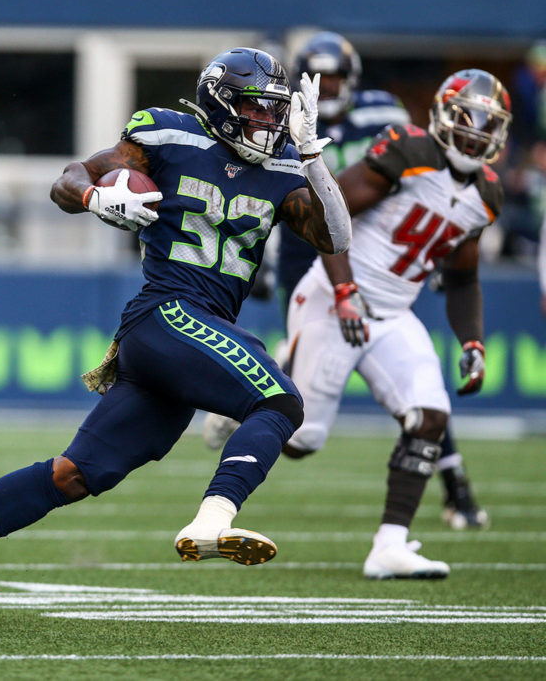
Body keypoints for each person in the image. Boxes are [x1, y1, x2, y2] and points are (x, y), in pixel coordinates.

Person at [0, 46, 353, 622]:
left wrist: (313, 159)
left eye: (275, 111)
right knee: (279, 398)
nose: (268, 122)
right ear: (222, 105)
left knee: (74, 475)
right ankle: (214, 518)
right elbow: (69, 178)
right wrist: (97, 197)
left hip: (191, 339)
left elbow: (336, 240)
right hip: (166, 315)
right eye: (256, 109)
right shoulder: (167, 135)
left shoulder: (284, 168)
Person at [203, 32, 489, 531]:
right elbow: (265, 188)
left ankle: (453, 484)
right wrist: (268, 258)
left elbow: (427, 185)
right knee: (305, 425)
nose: (329, 86)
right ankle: (275, 375)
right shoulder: (273, 115)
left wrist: (439, 239)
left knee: (420, 388)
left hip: (379, 258)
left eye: (336, 76)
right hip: (306, 244)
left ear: (352, 79)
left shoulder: (385, 117)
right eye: (321, 77)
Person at [282, 69, 511, 578]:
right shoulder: (408, 151)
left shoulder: (487, 195)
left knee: (430, 415)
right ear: (441, 116)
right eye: (467, 119)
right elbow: (327, 213)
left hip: (392, 314)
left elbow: (462, 277)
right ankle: (256, 394)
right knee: (301, 441)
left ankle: (390, 545)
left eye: (487, 124)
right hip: (333, 295)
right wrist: (345, 290)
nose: (475, 133)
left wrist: (471, 339)